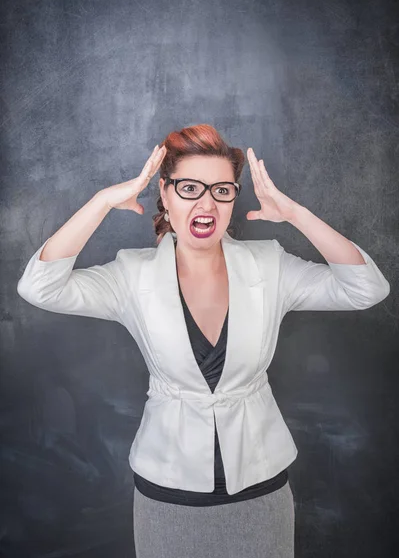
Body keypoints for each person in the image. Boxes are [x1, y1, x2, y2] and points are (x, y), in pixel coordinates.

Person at [17, 124, 390, 558]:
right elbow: (39, 288)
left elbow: (367, 289)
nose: (206, 203)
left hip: (260, 490)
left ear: (234, 199)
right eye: (190, 188)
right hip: (167, 496)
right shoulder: (131, 275)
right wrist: (103, 201)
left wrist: (295, 215)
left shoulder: (269, 265)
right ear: (166, 192)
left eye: (222, 190)